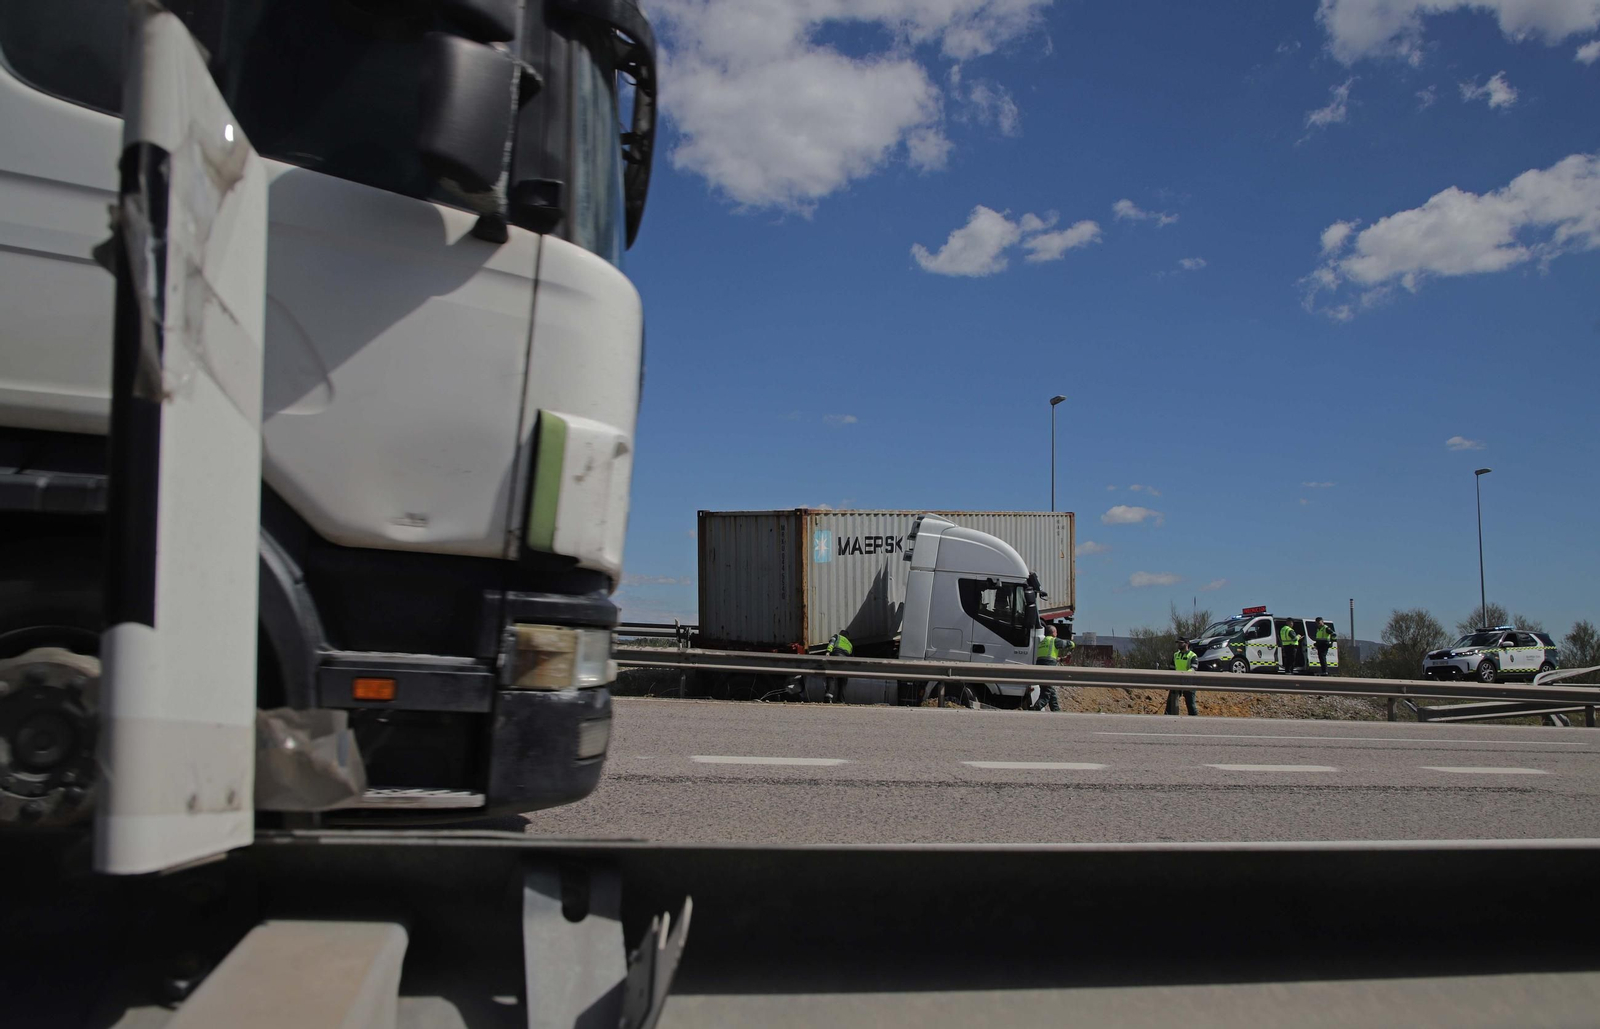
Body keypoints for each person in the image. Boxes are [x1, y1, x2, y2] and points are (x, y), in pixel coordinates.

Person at [1167, 639, 1199, 716]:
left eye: (1181, 643)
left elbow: (1194, 668)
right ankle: (1168, 719)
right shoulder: (1176, 655)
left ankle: (1195, 720)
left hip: (1189, 682)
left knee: (1191, 704)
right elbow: (1172, 668)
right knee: (1170, 704)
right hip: (1177, 682)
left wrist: (1184, 675)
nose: (1178, 645)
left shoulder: (1192, 655)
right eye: (1178, 643)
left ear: (1187, 643)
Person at [1034, 625, 1062, 712]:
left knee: (1050, 691)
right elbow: (1069, 644)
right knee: (1046, 694)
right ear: (1053, 632)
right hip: (1048, 670)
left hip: (1041, 669)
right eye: (1056, 632)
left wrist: (1061, 659)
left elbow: (1047, 656)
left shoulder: (1043, 642)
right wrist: (1072, 645)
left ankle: (1056, 710)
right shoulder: (1054, 640)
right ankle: (1036, 708)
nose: (1057, 634)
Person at [824, 630, 852, 702]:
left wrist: (828, 652)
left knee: (831, 675)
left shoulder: (837, 636)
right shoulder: (850, 644)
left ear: (841, 634)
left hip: (836, 655)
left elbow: (832, 643)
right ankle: (841, 700)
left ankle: (829, 696)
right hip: (845, 660)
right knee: (843, 680)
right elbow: (851, 656)